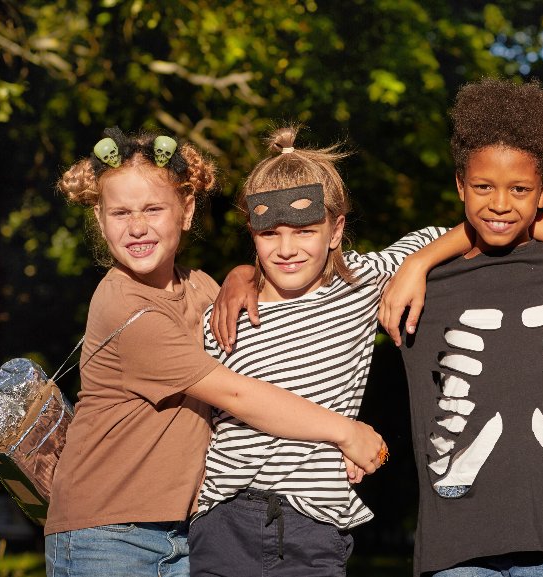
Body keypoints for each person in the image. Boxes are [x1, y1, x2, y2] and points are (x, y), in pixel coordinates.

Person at [45, 127, 386, 577]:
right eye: (120, 212)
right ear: (100, 219)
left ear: (186, 210)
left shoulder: (200, 288)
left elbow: (253, 306)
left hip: (184, 533)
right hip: (107, 534)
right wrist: (344, 432)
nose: (137, 226)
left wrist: (241, 274)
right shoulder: (124, 305)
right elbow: (240, 395)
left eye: (152, 208)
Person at [189, 126, 460, 577]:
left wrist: (416, 265)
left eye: (305, 231)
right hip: (222, 524)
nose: (287, 248)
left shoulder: (361, 283)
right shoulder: (221, 316)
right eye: (270, 233)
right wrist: (239, 275)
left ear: (336, 230)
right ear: (252, 233)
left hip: (313, 529)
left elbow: (458, 231)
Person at [383, 78, 543, 577]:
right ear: (460, 185)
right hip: (455, 548)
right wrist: (245, 274)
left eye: (519, 190)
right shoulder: (419, 279)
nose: (499, 204)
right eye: (483, 187)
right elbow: (316, 273)